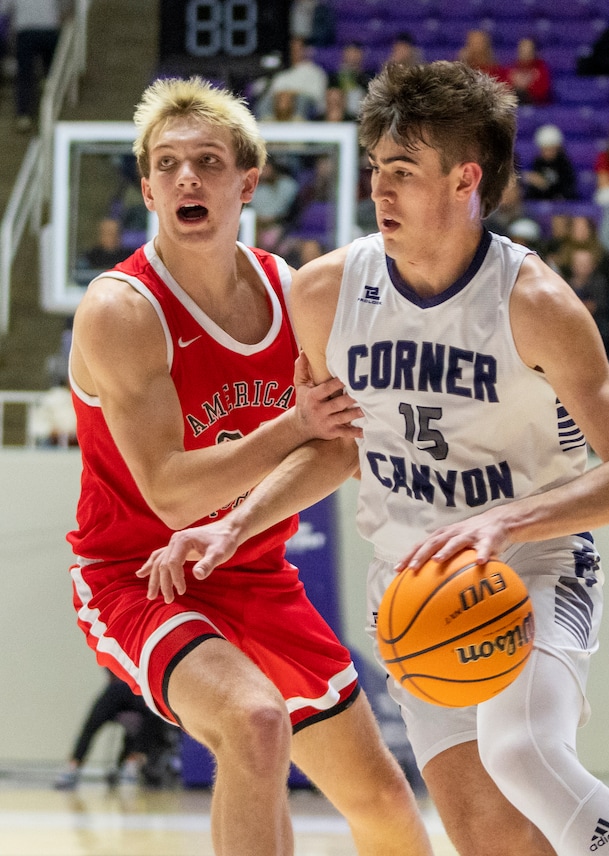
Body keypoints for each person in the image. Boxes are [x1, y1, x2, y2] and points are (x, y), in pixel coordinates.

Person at [140, 62, 609, 856]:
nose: (379, 191)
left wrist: (509, 518)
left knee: (523, 751)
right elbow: (339, 450)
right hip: (412, 593)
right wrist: (236, 524)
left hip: (533, 568)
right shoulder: (325, 294)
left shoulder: (535, 304)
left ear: (466, 179)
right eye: (377, 169)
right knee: (486, 835)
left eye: (403, 173)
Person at [66, 75, 433, 856]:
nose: (186, 178)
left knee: (385, 806)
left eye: (206, 160)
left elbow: (334, 447)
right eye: (166, 164)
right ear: (147, 187)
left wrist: (237, 527)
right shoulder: (121, 310)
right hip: (136, 575)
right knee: (255, 721)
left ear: (248, 182)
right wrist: (288, 426)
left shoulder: (290, 291)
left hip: (252, 568)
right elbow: (167, 492)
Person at [54, 670, 179, 790]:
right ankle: (74, 765)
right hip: (119, 687)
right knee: (93, 720)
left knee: (154, 713)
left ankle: (132, 762)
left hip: (141, 691)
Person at [7, 0, 71, 132]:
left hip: (26, 32)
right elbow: (65, 7)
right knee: (52, 73)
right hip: (48, 30)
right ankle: (48, 99)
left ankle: (24, 115)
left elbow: (5, 9)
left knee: (25, 76)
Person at [522, 124, 577, 201]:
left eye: (551, 149)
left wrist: (545, 185)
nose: (547, 153)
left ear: (558, 148)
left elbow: (568, 190)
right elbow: (533, 191)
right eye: (544, 150)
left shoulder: (564, 164)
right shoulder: (538, 162)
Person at [327, 41, 373, 118]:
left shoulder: (368, 77)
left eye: (355, 52)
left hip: (361, 114)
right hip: (340, 114)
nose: (352, 55)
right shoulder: (334, 76)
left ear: (361, 54)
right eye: (349, 51)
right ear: (344, 54)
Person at [502, 37, 552, 105]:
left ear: (535, 51)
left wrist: (525, 86)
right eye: (522, 50)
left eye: (528, 50)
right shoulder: (510, 69)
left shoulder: (542, 70)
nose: (525, 53)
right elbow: (504, 90)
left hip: (537, 108)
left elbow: (542, 92)